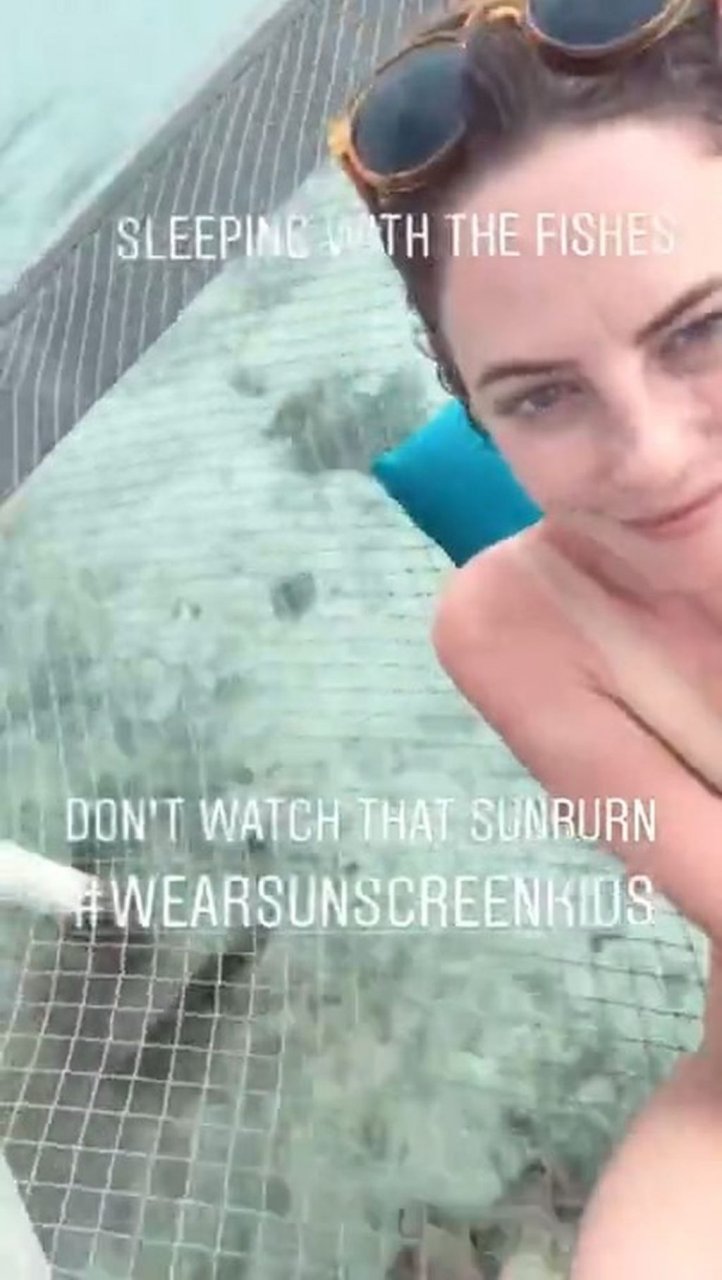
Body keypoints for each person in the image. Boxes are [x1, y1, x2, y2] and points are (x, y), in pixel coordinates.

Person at [329, 1, 722, 1275]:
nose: (649, 456)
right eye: (542, 394)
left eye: (701, 328)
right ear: (477, 415)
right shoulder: (513, 627)